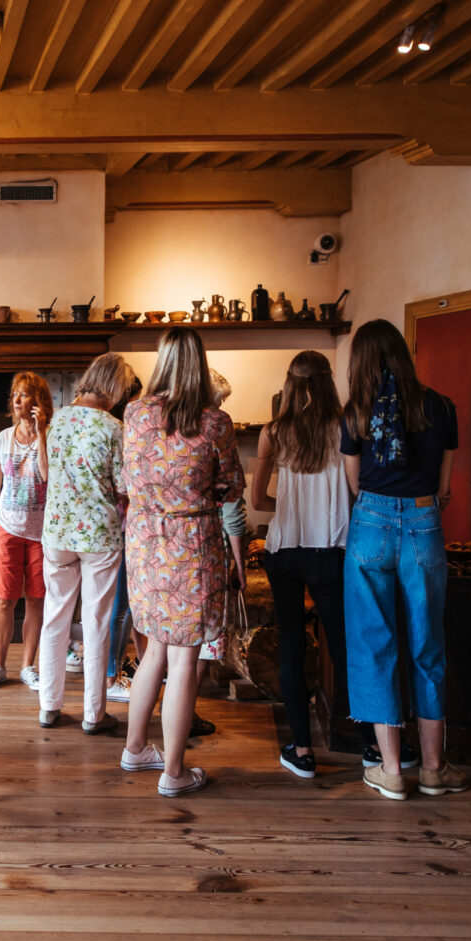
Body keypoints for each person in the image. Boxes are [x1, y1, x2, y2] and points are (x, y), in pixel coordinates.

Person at [341, 318, 467, 801]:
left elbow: (355, 486)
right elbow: (445, 486)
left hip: (371, 522)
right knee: (428, 644)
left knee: (375, 643)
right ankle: (434, 768)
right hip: (423, 522)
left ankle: (391, 770)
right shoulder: (440, 407)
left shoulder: (354, 413)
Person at [120, 327, 245, 797]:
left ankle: (136, 748)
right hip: (191, 542)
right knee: (185, 659)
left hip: (146, 540)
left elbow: (128, 477)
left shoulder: (134, 413)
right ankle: (173, 772)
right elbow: (231, 487)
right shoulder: (215, 422)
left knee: (153, 647)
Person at [251, 350, 352, 778]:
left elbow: (257, 502)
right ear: (329, 382)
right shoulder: (346, 428)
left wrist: (289, 505)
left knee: (291, 643)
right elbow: (355, 491)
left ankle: (302, 750)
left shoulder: (274, 431)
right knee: (346, 648)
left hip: (285, 550)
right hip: (331, 550)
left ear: (289, 384)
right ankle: (368, 742)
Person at [38, 352, 136, 732]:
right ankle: (94, 715)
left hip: (58, 533)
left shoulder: (56, 420)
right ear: (112, 387)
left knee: (55, 618)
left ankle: (49, 706)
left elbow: (46, 472)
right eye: (122, 390)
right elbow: (124, 486)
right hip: (99, 534)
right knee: (95, 621)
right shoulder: (114, 428)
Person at [0, 372, 53, 691]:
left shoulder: (50, 436)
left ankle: (28, 667)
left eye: (24, 395)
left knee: (36, 601)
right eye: (15, 395)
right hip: (8, 529)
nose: (17, 400)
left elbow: (48, 477)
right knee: (4, 601)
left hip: (42, 534)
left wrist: (42, 435)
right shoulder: (3, 439)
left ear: (38, 401)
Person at [187, 368, 248, 737]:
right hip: (210, 552)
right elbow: (233, 512)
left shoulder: (169, 428)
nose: (222, 407)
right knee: (203, 644)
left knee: (179, 644)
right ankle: (187, 715)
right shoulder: (216, 430)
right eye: (220, 400)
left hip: (172, 552)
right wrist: (240, 566)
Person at [104, 376, 147, 704]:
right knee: (119, 609)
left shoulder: (119, 428)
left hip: (126, 528)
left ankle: (114, 671)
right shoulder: (119, 430)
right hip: (121, 528)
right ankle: (110, 678)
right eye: (135, 396)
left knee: (124, 608)